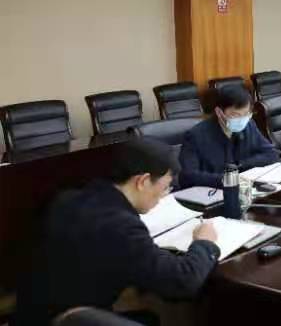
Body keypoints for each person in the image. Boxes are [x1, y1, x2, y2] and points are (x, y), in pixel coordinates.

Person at [13, 139, 220, 326]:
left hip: (32, 314)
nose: (164, 195)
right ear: (142, 181)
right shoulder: (120, 226)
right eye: (166, 187)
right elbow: (182, 282)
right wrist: (204, 243)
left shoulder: (69, 198)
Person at [179, 85, 278, 188]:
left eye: (246, 114)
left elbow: (271, 154)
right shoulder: (195, 136)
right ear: (219, 112)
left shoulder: (249, 125)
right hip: (211, 191)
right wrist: (228, 180)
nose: (242, 119)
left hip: (244, 188)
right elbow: (189, 175)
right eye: (235, 115)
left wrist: (240, 164)